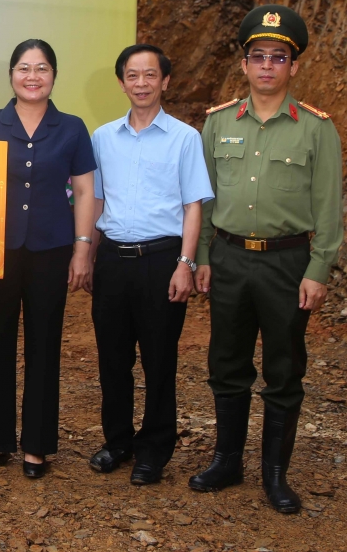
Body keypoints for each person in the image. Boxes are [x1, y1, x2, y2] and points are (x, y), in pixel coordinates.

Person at [189, 5, 342, 513]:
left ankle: (276, 475)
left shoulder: (316, 129)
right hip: (229, 258)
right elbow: (204, 197)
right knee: (226, 362)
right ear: (245, 65)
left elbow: (329, 207)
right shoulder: (218, 123)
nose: (267, 66)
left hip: (286, 263)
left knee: (284, 367)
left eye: (278, 57)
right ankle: (227, 461)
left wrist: (318, 269)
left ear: (293, 66)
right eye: (258, 57)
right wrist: (202, 256)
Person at [86, 44, 214, 485]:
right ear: (121, 82)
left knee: (159, 361)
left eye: (150, 75)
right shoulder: (102, 138)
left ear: (165, 81)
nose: (141, 84)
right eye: (132, 76)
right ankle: (117, 442)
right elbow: (96, 200)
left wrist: (185, 263)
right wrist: (87, 254)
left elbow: (194, 206)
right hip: (112, 260)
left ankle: (154, 451)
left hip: (162, 261)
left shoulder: (185, 138)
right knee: (112, 359)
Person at [0, 39, 96, 478]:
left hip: (52, 251)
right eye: (24, 68)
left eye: (42, 68)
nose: (32, 76)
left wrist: (82, 248)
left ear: (53, 76)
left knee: (44, 347)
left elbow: (84, 191)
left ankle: (37, 446)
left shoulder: (72, 128)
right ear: (11, 75)